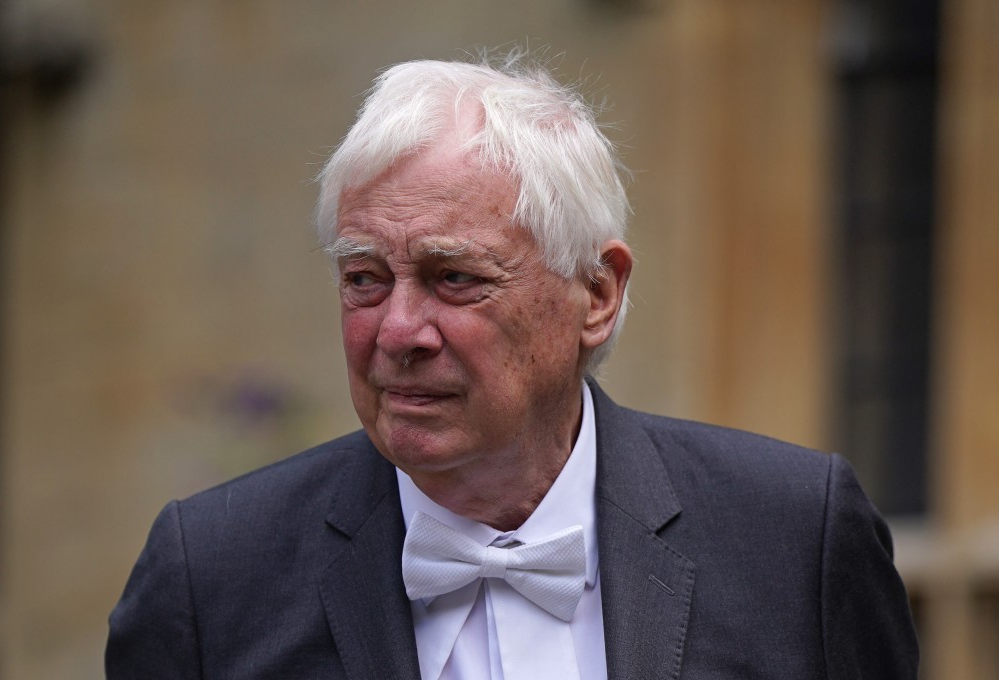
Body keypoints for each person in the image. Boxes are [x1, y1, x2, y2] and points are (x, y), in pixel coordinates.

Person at [107, 54, 919, 679]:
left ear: (595, 294)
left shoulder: (792, 539)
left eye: (453, 278)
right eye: (364, 279)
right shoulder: (211, 575)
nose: (397, 331)